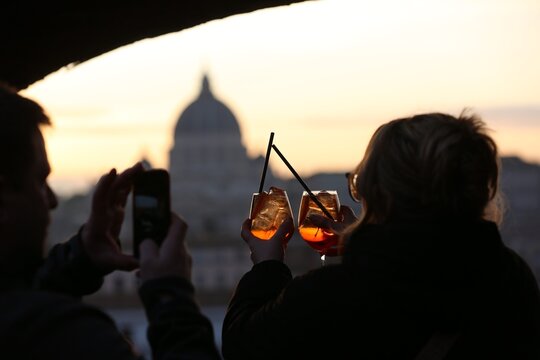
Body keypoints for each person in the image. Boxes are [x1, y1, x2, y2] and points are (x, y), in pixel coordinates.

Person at [222, 112, 540, 359]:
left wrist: (266, 266)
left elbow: (243, 347)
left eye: (360, 185)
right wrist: (366, 245)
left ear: (383, 194)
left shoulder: (332, 297)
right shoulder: (513, 277)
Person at [0, 83, 221, 359]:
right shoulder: (67, 337)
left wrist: (81, 259)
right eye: (40, 181)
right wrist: (171, 296)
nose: (53, 199)